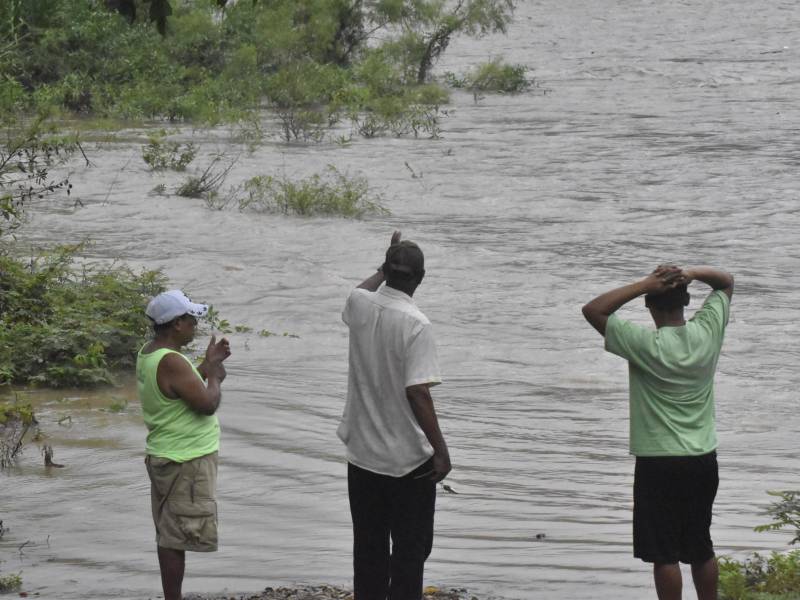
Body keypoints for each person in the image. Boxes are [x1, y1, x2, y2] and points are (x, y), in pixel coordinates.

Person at [582, 265, 734, 600]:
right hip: (702, 458)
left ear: (649, 305)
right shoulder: (707, 332)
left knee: (664, 553)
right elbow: (725, 282)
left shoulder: (643, 344)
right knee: (700, 546)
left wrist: (644, 284)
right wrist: (689, 270)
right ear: (687, 301)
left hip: (658, 461)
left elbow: (593, 309)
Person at [338, 231, 452, 600]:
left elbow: (359, 291)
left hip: (363, 456)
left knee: (368, 550)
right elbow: (417, 391)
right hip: (407, 461)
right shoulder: (417, 323)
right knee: (411, 552)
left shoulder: (360, 304)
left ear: (386, 272)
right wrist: (441, 449)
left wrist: (381, 267)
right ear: (420, 279)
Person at [137, 290, 231, 600]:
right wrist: (214, 375)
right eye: (191, 320)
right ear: (177, 324)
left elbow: (184, 386)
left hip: (166, 455)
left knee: (169, 529)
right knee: (176, 536)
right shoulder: (172, 361)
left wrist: (208, 364)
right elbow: (206, 403)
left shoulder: (150, 353)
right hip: (185, 460)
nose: (195, 325)